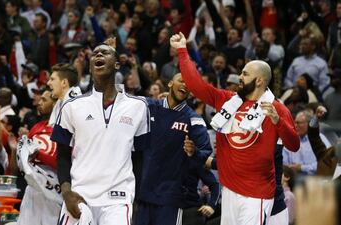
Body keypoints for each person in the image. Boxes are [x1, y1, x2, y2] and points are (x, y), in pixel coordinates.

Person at [170, 32, 300, 225]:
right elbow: (196, 86)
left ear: (259, 81)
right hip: (229, 190)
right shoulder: (228, 100)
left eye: (245, 74)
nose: (240, 77)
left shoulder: (276, 109)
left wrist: (276, 120)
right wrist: (182, 50)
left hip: (257, 194)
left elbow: (294, 145)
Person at [51, 43, 150, 224]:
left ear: (117, 64)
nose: (98, 55)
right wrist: (66, 192)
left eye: (105, 52)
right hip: (78, 195)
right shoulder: (71, 106)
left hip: (118, 198)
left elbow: (139, 157)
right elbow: (62, 155)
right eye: (95, 53)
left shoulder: (139, 107)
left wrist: (135, 198)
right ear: (90, 66)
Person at [135, 73, 212, 225]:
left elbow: (206, 153)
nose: (185, 85)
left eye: (189, 84)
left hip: (171, 196)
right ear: (170, 83)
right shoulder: (149, 107)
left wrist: (193, 152)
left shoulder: (194, 120)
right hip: (144, 192)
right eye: (182, 81)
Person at [16, 89, 61, 225]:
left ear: (55, 103)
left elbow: (64, 162)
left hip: (54, 187)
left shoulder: (64, 128)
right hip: (33, 188)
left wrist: (39, 154)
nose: (39, 103)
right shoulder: (36, 127)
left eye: (44, 100)